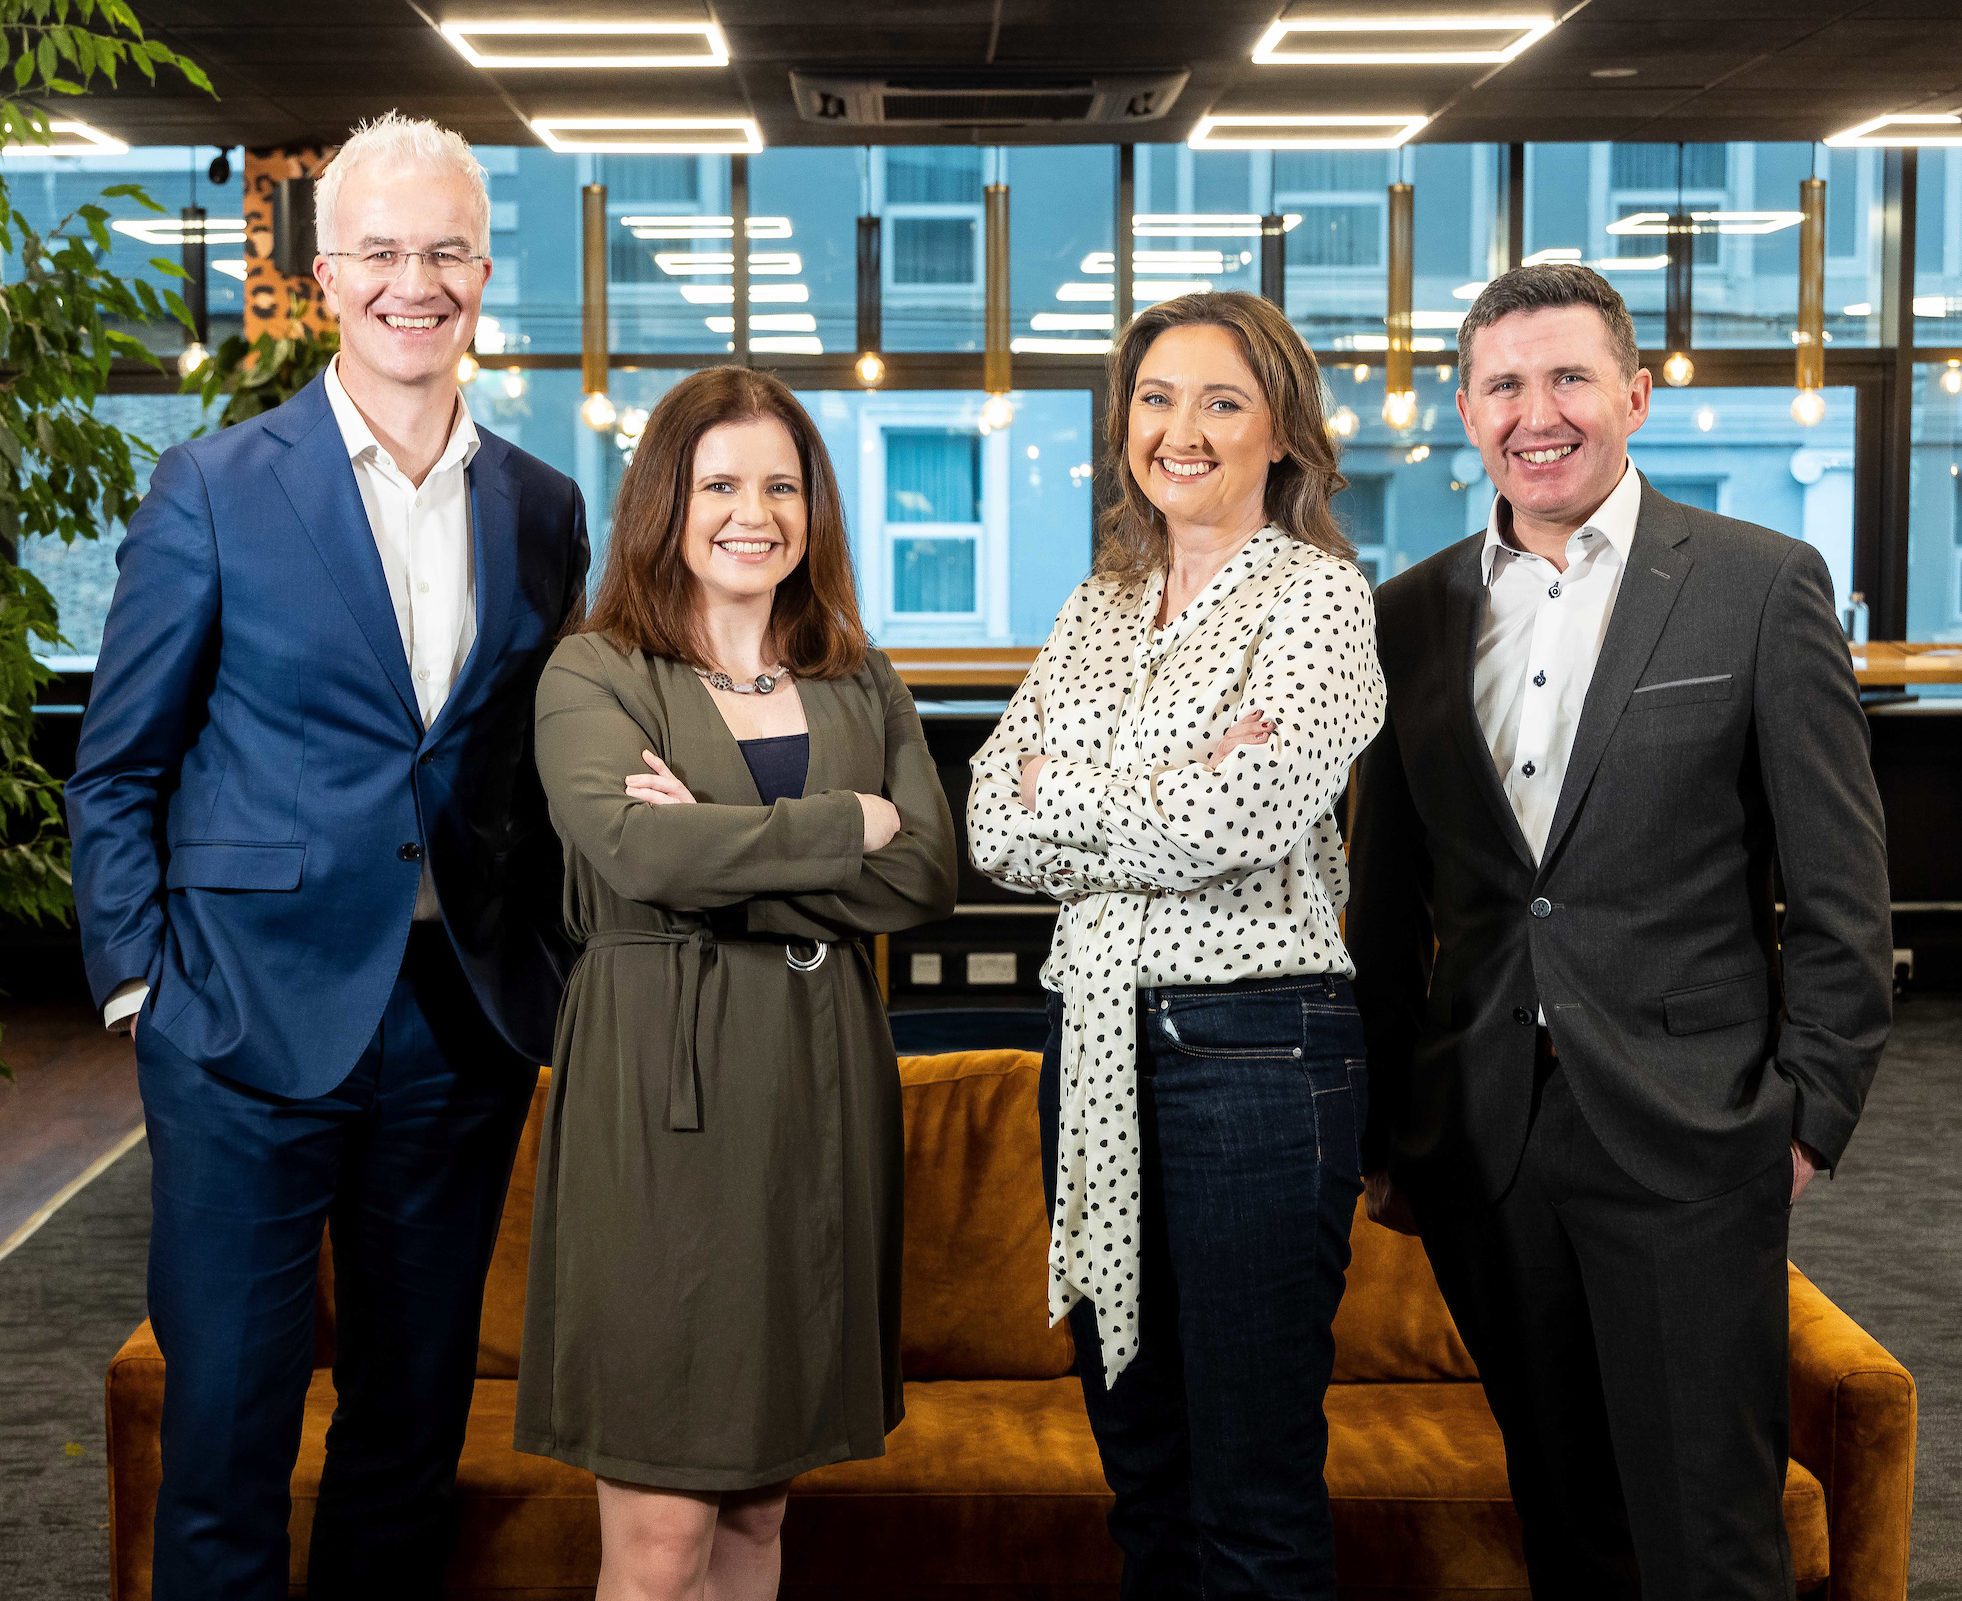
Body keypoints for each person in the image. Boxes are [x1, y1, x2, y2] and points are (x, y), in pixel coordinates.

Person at [65, 113, 589, 1599]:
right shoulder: (215, 486)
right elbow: (119, 763)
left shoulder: (543, 506)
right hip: (238, 1020)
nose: (413, 283)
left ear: (482, 274)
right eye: (380, 252)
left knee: (409, 1434)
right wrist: (141, 988)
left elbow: (531, 770)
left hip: (456, 1030)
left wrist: (552, 966)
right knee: (226, 1437)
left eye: (444, 252)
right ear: (325, 275)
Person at [1348, 263, 1892, 1599]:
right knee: (1564, 1521)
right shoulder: (1406, 615)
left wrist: (1807, 1115)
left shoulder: (1757, 584)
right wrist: (1389, 1133)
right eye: (1503, 385)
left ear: (1635, 396)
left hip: (1691, 1129)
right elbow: (1388, 902)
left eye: (1569, 378)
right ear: (1465, 411)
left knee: (1709, 1537)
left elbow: (1840, 884)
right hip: (1485, 1140)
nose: (1535, 414)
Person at [514, 366, 957, 1601]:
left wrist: (718, 846)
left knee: (761, 1508)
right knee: (662, 1529)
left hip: (820, 1090)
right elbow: (639, 854)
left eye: (781, 485)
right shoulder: (594, 672)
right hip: (664, 1090)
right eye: (718, 484)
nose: (751, 513)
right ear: (666, 499)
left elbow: (926, 871)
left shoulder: (857, 674)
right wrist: (846, 822)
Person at [967, 290, 1385, 1600]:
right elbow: (992, 821)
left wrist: (1074, 790)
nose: (1179, 430)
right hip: (1093, 1038)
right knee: (1142, 1468)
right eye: (1155, 398)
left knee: (1251, 1484)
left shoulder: (1318, 599)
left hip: (1256, 1049)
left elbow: (1241, 813)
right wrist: (1167, 786)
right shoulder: (1099, 606)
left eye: (1220, 401)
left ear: (1283, 433)